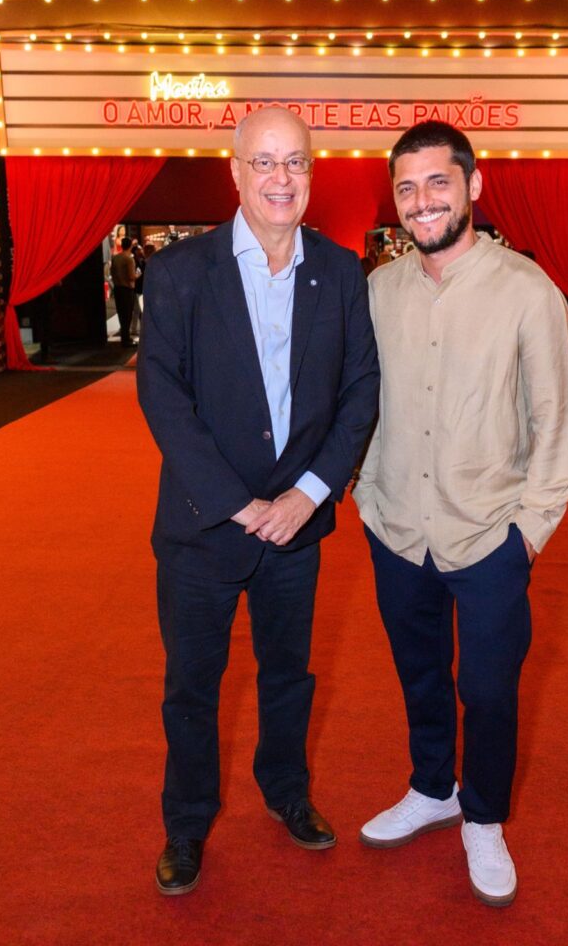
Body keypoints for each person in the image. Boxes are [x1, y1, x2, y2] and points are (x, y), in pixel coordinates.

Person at [137, 106, 379, 896]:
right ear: (234, 172)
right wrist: (242, 505)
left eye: (296, 162)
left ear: (313, 173)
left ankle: (286, 792)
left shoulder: (342, 273)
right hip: (205, 528)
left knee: (288, 675)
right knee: (193, 687)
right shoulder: (180, 273)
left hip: (297, 529)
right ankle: (186, 824)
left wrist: (307, 497)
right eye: (264, 162)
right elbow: (162, 396)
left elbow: (360, 391)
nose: (282, 178)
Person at [353, 121, 568, 908]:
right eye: (407, 188)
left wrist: (529, 535)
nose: (422, 202)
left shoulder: (527, 291)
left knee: (487, 688)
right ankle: (431, 786)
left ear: (473, 187)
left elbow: (554, 423)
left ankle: (482, 814)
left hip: (489, 538)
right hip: (396, 529)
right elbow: (356, 406)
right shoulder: (377, 290)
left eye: (437, 183)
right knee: (419, 677)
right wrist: (364, 498)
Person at [110, 235, 138, 347]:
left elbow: (112, 273)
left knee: (121, 314)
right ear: (130, 245)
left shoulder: (115, 258)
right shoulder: (129, 259)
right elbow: (131, 276)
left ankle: (124, 337)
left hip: (118, 288)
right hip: (127, 289)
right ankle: (126, 339)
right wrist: (138, 275)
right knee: (127, 314)